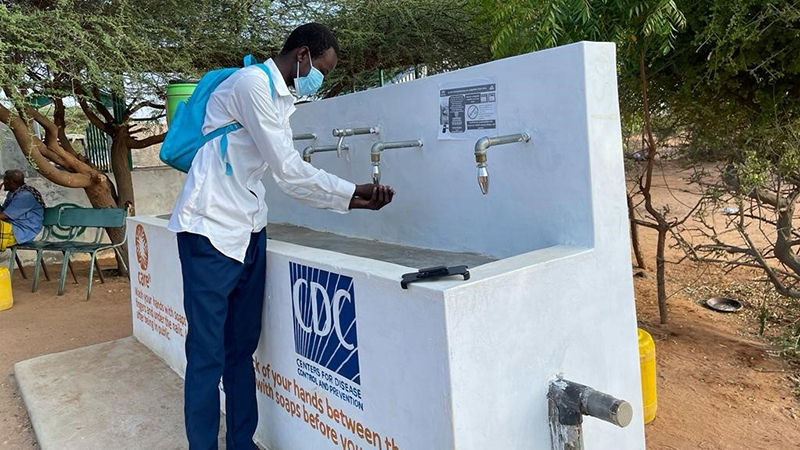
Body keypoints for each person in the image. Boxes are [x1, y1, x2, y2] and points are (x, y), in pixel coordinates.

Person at [167, 23, 396, 450]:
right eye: (321, 69)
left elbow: (279, 169)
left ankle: (241, 443)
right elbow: (288, 170)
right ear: (303, 55)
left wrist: (352, 196)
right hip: (210, 229)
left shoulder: (279, 98)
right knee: (206, 355)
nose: (320, 79)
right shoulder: (251, 85)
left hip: (250, 227)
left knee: (240, 349)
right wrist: (353, 195)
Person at [0, 169, 45, 251]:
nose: (3, 183)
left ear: (10, 181)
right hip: (12, 228)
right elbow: (2, 213)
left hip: (21, 232)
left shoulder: (25, 196)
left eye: (4, 180)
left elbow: (3, 216)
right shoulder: (13, 193)